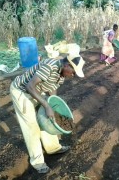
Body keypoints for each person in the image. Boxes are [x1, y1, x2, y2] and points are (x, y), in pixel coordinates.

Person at [10, 45, 85, 173]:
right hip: (22, 91)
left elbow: (52, 87)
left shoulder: (62, 73)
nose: (72, 75)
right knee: (32, 126)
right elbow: (30, 86)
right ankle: (37, 162)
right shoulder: (50, 66)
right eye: (73, 72)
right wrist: (46, 105)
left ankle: (53, 147)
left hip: (37, 91)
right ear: (67, 65)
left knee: (48, 119)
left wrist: (53, 103)